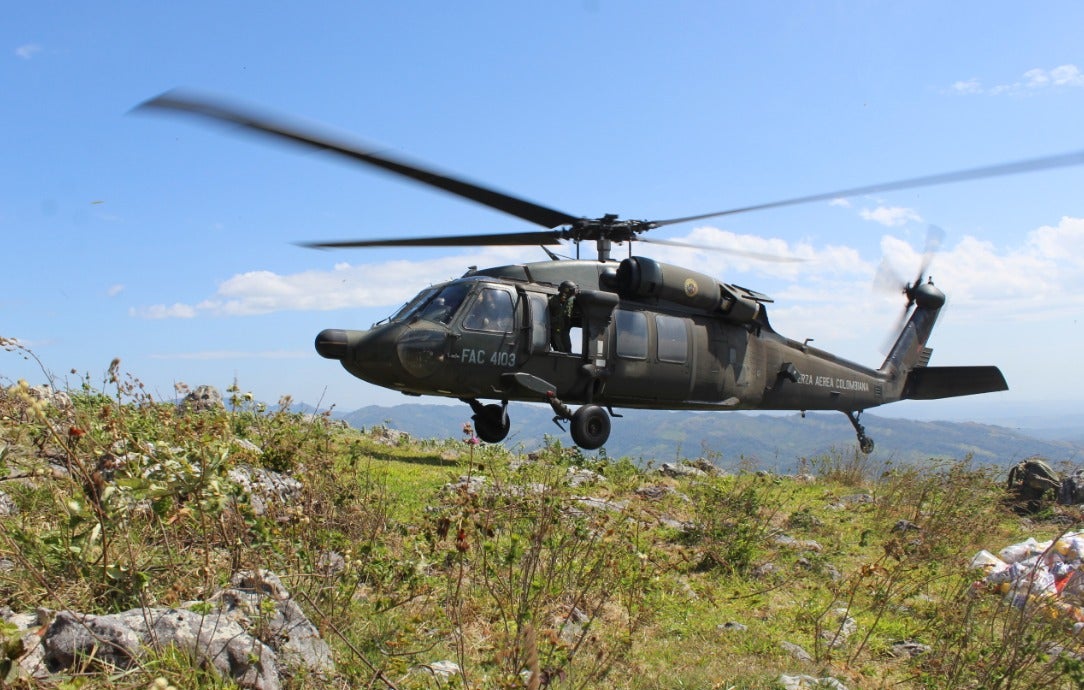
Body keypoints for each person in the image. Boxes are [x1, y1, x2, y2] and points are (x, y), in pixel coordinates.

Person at [548, 280, 578, 352]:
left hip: (557, 330)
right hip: (558, 330)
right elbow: (565, 315)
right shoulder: (555, 301)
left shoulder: (556, 300)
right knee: (565, 350)